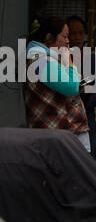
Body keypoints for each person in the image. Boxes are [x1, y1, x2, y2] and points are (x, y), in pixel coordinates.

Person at [24, 15, 91, 152]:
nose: (68, 41)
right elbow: (71, 88)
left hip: (61, 136)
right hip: (55, 138)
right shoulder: (40, 60)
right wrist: (70, 63)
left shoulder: (49, 59)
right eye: (65, 37)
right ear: (49, 38)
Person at [67, 16, 96, 162]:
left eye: (80, 33)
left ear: (85, 35)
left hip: (87, 126)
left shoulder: (92, 60)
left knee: (87, 175)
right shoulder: (56, 61)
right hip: (62, 127)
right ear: (66, 35)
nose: (77, 37)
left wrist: (87, 91)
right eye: (73, 33)